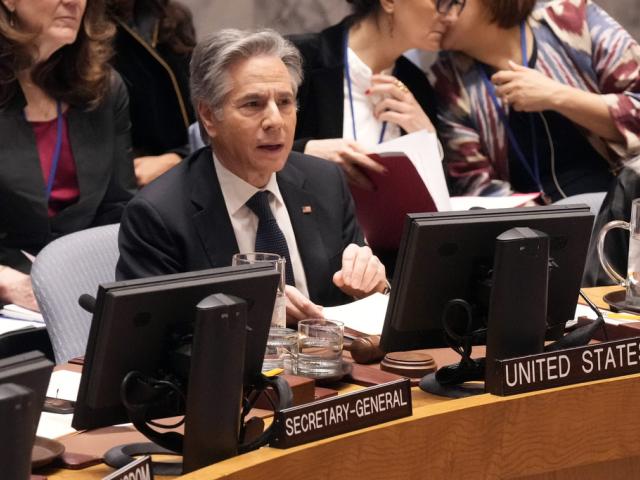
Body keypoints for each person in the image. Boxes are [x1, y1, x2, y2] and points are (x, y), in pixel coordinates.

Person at [116, 29, 388, 323]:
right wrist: (254, 312)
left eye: (284, 102)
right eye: (253, 104)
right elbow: (152, 341)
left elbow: (358, 307)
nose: (275, 121)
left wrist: (375, 288)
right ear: (209, 116)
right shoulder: (160, 215)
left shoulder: (326, 183)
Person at [0, 0, 136, 311]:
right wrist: (6, 283)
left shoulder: (104, 87)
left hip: (83, 292)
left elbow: (119, 207)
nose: (75, 1)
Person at [430, 0, 640, 201]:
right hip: (536, 229)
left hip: (625, 205)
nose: (438, 13)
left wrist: (557, 96)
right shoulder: (448, 82)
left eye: (449, 1)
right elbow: (476, 187)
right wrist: (543, 223)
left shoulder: (572, 19)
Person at [289, 0, 463, 190]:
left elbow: (437, 203)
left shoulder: (417, 83)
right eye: (442, 2)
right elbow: (251, 152)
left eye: (457, 4)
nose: (453, 17)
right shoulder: (297, 58)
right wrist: (306, 152)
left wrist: (428, 141)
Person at [107, 0, 196, 187]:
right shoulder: (83, 28)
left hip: (190, 169)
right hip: (132, 187)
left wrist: (180, 157)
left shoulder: (173, 18)